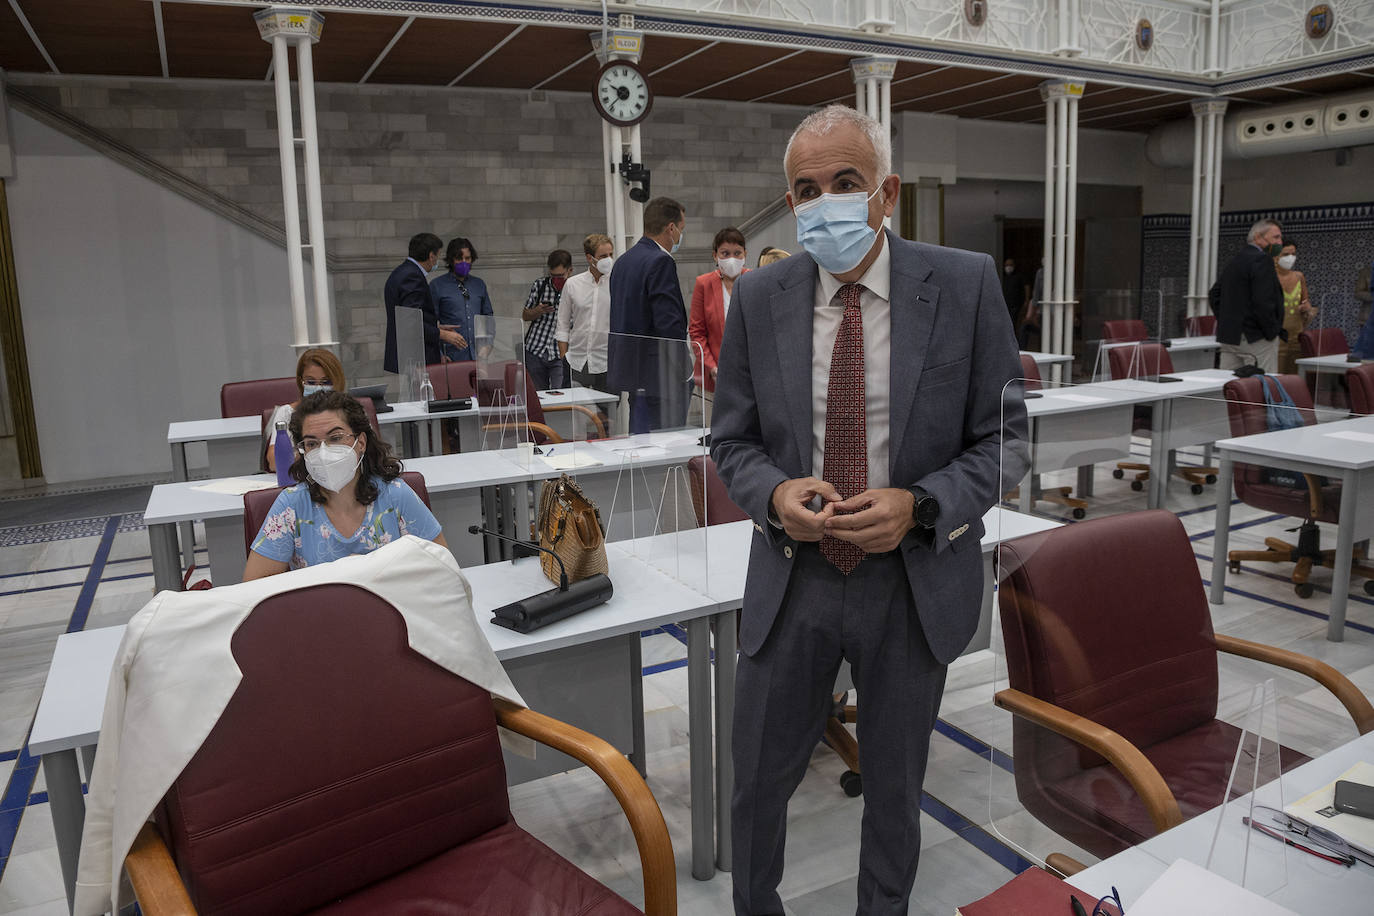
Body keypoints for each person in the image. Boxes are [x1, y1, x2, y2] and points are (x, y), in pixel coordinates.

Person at [710, 104, 1026, 916]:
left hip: (909, 581)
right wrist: (776, 496)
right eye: (805, 190)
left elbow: (1006, 441)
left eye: (844, 182)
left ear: (885, 194)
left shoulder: (962, 285)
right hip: (795, 575)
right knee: (757, 783)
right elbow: (733, 444)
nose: (824, 203)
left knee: (894, 789)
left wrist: (922, 506)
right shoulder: (759, 299)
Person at [244, 391, 447, 579]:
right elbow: (254, 587)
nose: (323, 452)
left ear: (361, 443)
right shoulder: (292, 505)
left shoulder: (396, 495)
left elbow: (442, 569)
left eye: (335, 438)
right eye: (312, 443)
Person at [608, 196, 691, 430]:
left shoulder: (623, 262)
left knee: (641, 445)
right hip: (661, 376)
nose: (679, 237)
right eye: (681, 229)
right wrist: (684, 371)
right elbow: (669, 324)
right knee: (665, 450)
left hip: (633, 372)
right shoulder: (660, 261)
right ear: (671, 228)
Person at [1210, 218, 1284, 372]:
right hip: (1256, 337)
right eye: (1275, 237)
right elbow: (1263, 301)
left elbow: (1214, 294)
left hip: (1230, 336)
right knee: (1262, 385)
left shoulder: (1236, 259)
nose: (1280, 242)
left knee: (1230, 384)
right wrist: (1271, 331)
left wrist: (1228, 320)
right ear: (1258, 237)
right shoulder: (1263, 259)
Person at [383, 233, 463, 374]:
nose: (436, 261)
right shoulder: (412, 276)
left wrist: (437, 326)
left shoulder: (401, 272)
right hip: (415, 358)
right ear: (431, 256)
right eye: (437, 256)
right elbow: (411, 322)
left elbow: (411, 316)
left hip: (409, 357)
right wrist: (443, 334)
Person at [690, 227, 748, 418]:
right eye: (725, 253)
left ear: (745, 254)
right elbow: (697, 332)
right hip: (713, 376)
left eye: (737, 253)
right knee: (715, 433)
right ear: (715, 256)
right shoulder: (703, 284)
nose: (732, 258)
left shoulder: (755, 280)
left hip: (748, 376)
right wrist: (712, 367)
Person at [263, 347, 346, 474]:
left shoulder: (350, 410)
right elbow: (275, 463)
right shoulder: (287, 413)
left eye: (326, 381)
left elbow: (366, 452)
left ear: (337, 381)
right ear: (301, 382)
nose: (318, 387)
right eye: (311, 382)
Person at [557, 233, 615, 393]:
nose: (608, 259)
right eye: (603, 256)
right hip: (576, 360)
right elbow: (562, 323)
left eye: (611, 254)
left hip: (607, 362)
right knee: (576, 414)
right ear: (590, 258)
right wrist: (564, 356)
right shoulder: (573, 284)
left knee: (606, 415)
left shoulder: (618, 283)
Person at [432, 236, 494, 362]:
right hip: (451, 356)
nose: (464, 262)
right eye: (459, 259)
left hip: (479, 356)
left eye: (467, 258)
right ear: (451, 260)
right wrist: (439, 355)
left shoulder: (479, 284)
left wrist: (488, 343)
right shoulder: (437, 286)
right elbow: (430, 323)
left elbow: (488, 317)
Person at [522, 249, 573, 390]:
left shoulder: (575, 289)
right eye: (553, 275)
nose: (556, 279)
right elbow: (525, 315)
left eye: (560, 276)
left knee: (561, 395)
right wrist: (537, 311)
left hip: (560, 353)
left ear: (570, 271)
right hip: (535, 348)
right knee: (538, 397)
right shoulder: (540, 285)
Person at [1274, 240, 1315, 374]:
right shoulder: (1269, 276)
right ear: (1275, 256)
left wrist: (1306, 306)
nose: (1290, 258)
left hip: (1296, 333)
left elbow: (1305, 300)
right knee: (1276, 373)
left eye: (1293, 254)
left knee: (1294, 373)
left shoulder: (1298, 276)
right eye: (1286, 254)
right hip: (1276, 335)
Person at [1000, 257, 1030, 343]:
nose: (1008, 267)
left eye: (1010, 265)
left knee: (1013, 323)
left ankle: (1014, 342)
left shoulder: (1019, 276)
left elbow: (1026, 286)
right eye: (1006, 265)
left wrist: (1026, 301)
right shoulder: (1004, 277)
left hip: (1016, 304)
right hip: (1006, 304)